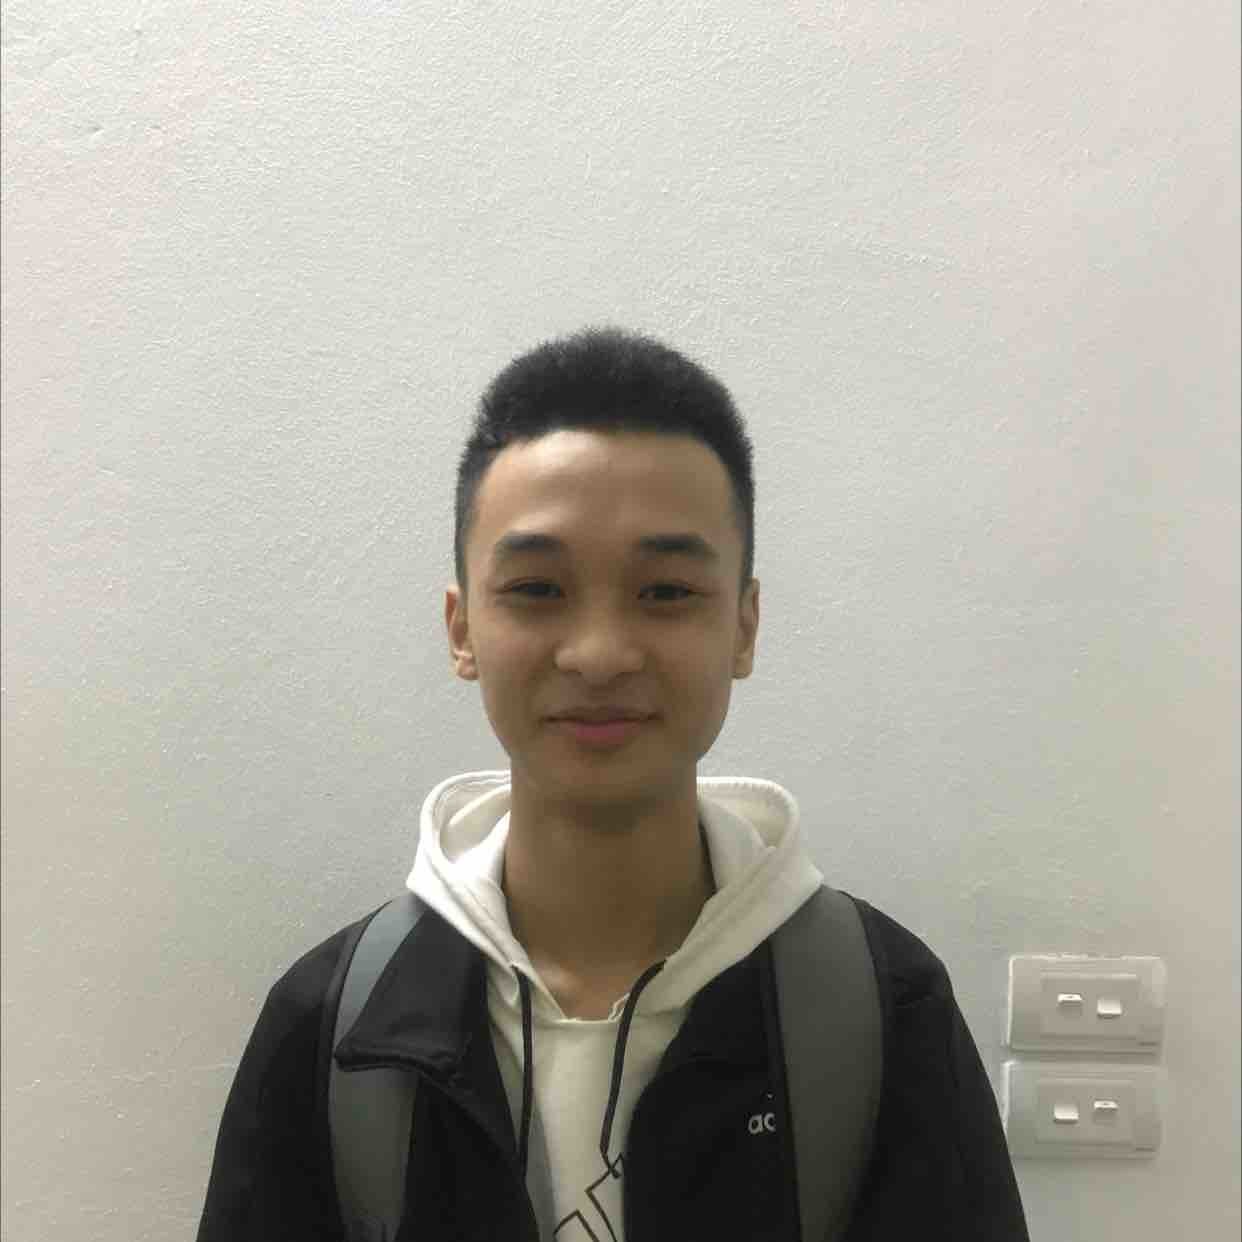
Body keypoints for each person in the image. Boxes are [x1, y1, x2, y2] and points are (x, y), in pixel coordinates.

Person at [196, 326, 1030, 1240]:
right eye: (537, 590)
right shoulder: (334, 1033)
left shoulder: (880, 1013)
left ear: (744, 626)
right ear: (461, 629)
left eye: (666, 592)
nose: (598, 655)